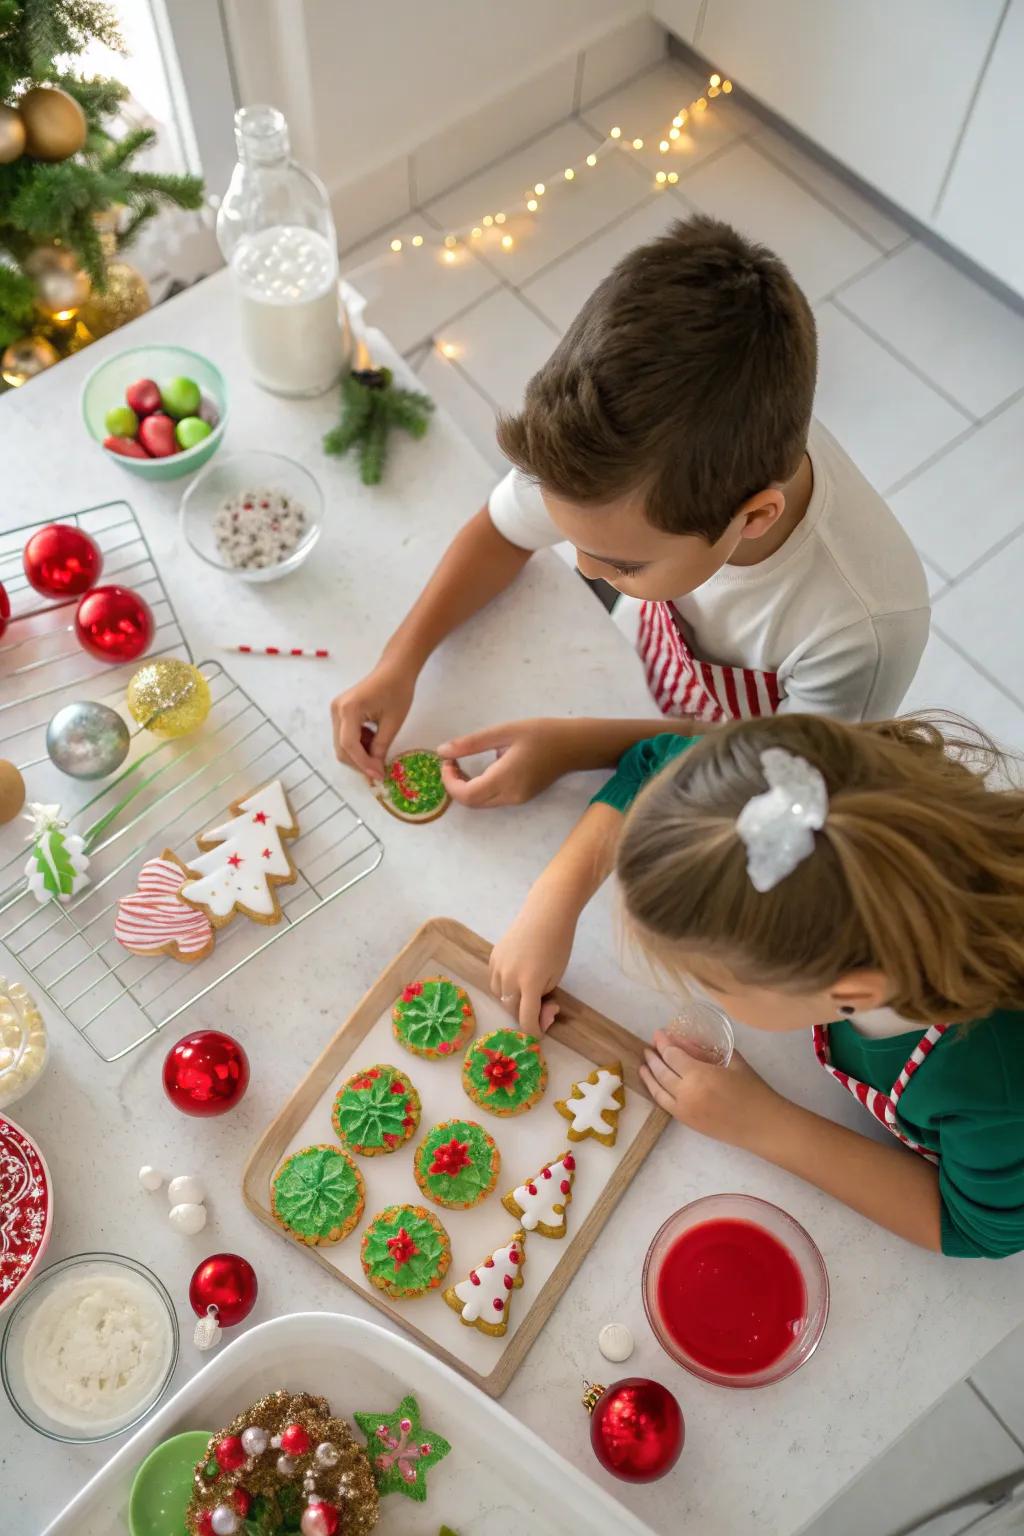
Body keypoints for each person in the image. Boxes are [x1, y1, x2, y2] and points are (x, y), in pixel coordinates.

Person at [331, 214, 929, 810]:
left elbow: (778, 776)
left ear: (753, 518)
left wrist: (579, 748)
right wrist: (400, 662)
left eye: (624, 565)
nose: (586, 570)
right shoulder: (617, 457)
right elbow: (501, 532)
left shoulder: (860, 633)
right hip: (634, 677)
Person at [606, 714, 1024, 1258]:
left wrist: (764, 1123)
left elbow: (976, 1229)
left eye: (708, 978)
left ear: (852, 992)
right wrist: (555, 901)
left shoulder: (995, 1087)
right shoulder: (802, 800)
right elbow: (657, 758)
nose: (694, 987)